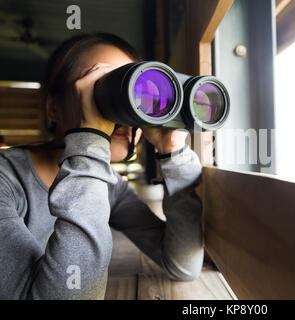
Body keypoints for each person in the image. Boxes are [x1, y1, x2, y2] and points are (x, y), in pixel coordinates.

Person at [0, 33, 204, 299]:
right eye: (100, 87)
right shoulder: (7, 181)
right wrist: (89, 141)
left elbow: (182, 264)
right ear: (53, 108)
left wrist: (172, 151)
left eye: (134, 90)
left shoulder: (108, 188)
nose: (119, 109)